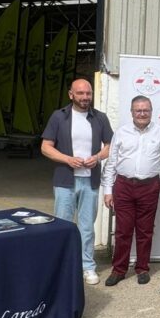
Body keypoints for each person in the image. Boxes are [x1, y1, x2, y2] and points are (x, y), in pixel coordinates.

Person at [41, 78, 113, 286]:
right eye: (80, 93)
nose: (85, 97)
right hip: (65, 180)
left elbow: (110, 145)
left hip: (90, 181)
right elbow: (46, 147)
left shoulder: (100, 118)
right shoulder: (59, 116)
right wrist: (67, 159)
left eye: (88, 93)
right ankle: (61, 266)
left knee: (87, 227)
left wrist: (97, 157)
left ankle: (87, 266)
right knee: (62, 225)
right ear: (71, 94)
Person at [100, 96, 160, 287]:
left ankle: (142, 268)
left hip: (149, 187)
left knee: (145, 231)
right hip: (123, 186)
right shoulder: (121, 132)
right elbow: (112, 162)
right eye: (138, 110)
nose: (142, 114)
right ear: (132, 112)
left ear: (151, 111)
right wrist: (108, 190)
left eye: (145, 110)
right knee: (123, 231)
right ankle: (119, 270)